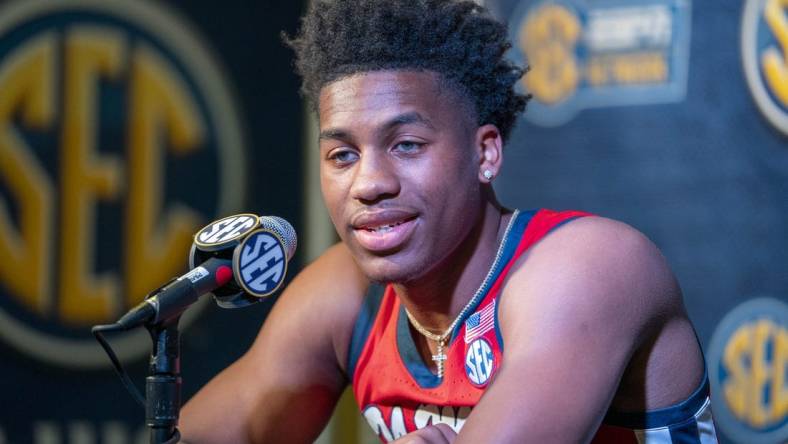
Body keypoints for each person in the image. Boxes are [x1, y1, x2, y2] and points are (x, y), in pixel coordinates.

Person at [180, 0, 717, 442]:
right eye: (342, 155)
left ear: (485, 153)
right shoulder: (341, 293)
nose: (368, 184)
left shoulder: (587, 266)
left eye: (407, 145)